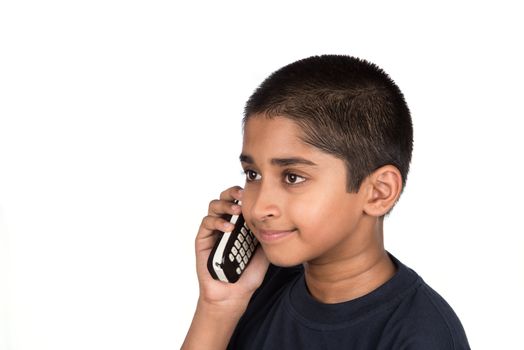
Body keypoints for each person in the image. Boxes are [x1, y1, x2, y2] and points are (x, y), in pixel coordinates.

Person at [182, 55, 470, 349]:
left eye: (292, 177)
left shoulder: (421, 336)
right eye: (253, 174)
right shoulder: (254, 289)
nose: (258, 208)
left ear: (378, 192)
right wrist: (217, 307)